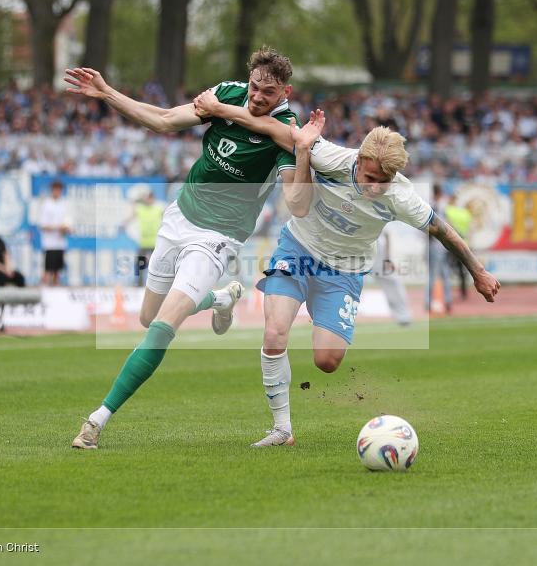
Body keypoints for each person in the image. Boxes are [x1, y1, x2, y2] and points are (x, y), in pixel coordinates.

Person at [193, 92, 500, 447]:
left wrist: (478, 272)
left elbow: (444, 232)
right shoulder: (328, 156)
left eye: (382, 181)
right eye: (369, 175)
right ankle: (282, 430)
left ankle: (316, 309)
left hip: (345, 270)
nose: (373, 186)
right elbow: (269, 126)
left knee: (327, 361)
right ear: (359, 158)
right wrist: (218, 109)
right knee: (275, 333)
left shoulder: (402, 197)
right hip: (298, 250)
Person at [65, 47, 315, 450]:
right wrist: (108, 93)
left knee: (163, 328)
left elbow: (297, 202)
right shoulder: (228, 93)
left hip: (219, 236)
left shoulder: (287, 128)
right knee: (149, 318)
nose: (257, 97)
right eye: (254, 86)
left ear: (285, 92)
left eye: (267, 93)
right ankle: (220, 298)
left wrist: (301, 152)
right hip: (179, 216)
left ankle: (97, 420)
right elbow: (165, 120)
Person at [370, 229, 413, 326]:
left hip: (376, 250)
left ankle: (403, 316)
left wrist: (388, 258)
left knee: (393, 283)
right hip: (357, 250)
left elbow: (387, 234)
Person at [427, 185, 453, 314]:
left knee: (435, 275)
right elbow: (447, 225)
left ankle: (430, 302)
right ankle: (447, 301)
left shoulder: (432, 206)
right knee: (443, 274)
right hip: (439, 246)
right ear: (440, 192)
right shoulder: (438, 207)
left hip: (435, 246)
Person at [39, 180, 70, 286]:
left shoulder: (64, 204)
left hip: (60, 243)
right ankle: (44, 291)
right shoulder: (47, 204)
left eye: (59, 190)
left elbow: (67, 223)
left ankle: (56, 292)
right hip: (50, 243)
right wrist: (58, 228)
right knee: (48, 270)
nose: (57, 192)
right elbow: (43, 225)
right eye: (55, 189)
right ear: (52, 190)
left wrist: (67, 229)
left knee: (57, 271)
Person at [133, 191, 164, 287]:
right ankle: (139, 284)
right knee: (139, 263)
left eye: (149, 198)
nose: (147, 200)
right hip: (144, 243)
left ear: (153, 198)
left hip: (155, 243)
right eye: (146, 198)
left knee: (158, 265)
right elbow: (133, 208)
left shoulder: (158, 208)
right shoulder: (140, 209)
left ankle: (159, 285)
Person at [444, 194, 472, 300]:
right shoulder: (465, 213)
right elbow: (470, 230)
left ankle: (446, 293)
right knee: (462, 270)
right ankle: (464, 293)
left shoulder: (448, 210)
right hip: (464, 244)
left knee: (446, 268)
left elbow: (446, 225)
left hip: (450, 245)